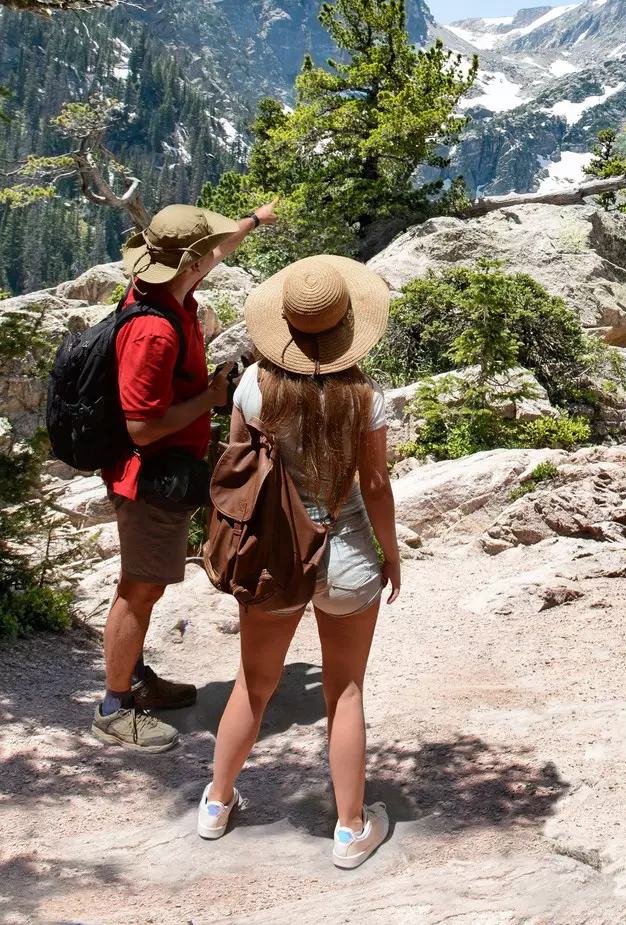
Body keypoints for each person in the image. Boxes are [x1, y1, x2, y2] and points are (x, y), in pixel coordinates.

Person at [198, 254, 403, 870]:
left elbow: (238, 465)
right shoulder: (363, 395)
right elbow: (375, 484)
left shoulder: (253, 388)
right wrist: (391, 555)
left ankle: (216, 803)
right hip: (346, 552)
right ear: (346, 329)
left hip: (275, 555)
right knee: (345, 690)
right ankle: (348, 830)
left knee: (253, 684)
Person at [92, 200, 279, 753]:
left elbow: (214, 252)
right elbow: (142, 426)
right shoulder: (156, 331)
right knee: (139, 589)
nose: (211, 259)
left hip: (161, 475)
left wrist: (254, 220)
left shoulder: (163, 292)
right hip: (146, 478)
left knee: (145, 586)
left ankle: (136, 679)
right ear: (188, 263)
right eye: (203, 254)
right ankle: (114, 706)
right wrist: (211, 398)